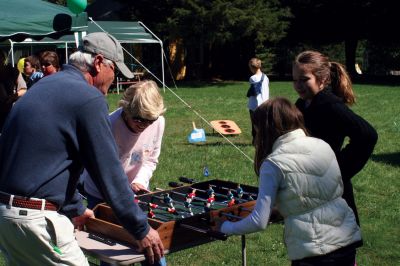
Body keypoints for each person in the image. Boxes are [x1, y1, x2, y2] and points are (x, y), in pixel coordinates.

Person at [0, 32, 164, 265]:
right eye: (114, 70)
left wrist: (76, 206)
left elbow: (49, 160)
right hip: (36, 219)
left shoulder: (43, 86)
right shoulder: (89, 98)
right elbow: (108, 171)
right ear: (98, 63)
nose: (113, 78)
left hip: (6, 216)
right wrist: (141, 228)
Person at [218, 97, 362, 265]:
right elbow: (316, 194)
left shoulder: (273, 163)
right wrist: (283, 209)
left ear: (266, 130)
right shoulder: (322, 144)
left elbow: (259, 221)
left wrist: (225, 227)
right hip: (346, 241)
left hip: (314, 252)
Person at [82, 80, 167, 266]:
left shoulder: (158, 122)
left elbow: (151, 158)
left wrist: (140, 181)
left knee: (153, 247)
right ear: (126, 109)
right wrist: (123, 193)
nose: (144, 125)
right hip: (102, 193)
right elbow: (100, 171)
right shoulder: (109, 126)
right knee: (113, 253)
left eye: (149, 120)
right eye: (138, 119)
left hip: (137, 189)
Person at [292, 50, 378, 226]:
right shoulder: (302, 104)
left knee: (338, 245)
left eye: (304, 79)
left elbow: (367, 135)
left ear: (322, 79)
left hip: (334, 190)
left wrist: (337, 168)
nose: (298, 85)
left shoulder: (330, 105)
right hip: (312, 187)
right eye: (295, 80)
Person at [0, 51, 27, 132]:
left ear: (3, 59)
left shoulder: (13, 71)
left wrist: (13, 96)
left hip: (9, 111)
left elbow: (24, 89)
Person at [246, 57, 270, 144]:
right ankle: (264, 140)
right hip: (265, 103)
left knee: (255, 124)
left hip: (254, 105)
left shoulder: (252, 78)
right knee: (263, 123)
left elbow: (253, 91)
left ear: (252, 67)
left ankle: (255, 141)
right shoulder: (266, 77)